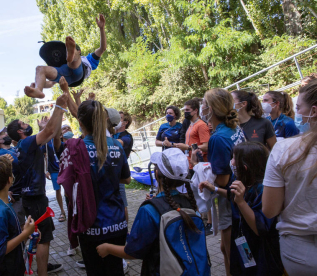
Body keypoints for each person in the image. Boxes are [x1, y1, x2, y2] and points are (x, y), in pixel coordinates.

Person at [96, 148, 204, 276]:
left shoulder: (149, 210)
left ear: (156, 173)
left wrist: (107, 248)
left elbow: (133, 251)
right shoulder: (190, 203)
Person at [6, 77, 69, 276]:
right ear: (19, 131)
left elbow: (50, 133)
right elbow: (51, 130)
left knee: (40, 235)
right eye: (24, 123)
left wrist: (47, 127)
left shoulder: (22, 146)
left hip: (31, 197)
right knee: (44, 237)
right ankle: (42, 273)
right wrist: (59, 106)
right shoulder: (25, 143)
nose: (28, 124)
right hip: (34, 198)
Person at [199, 142, 283, 276]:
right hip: (244, 245)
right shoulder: (246, 182)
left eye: (233, 159)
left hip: (261, 253)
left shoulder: (263, 190)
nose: (231, 163)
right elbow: (232, 196)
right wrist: (213, 188)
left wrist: (242, 202)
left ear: (245, 167)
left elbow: (260, 228)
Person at [262, 79, 317, 275]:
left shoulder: (284, 150)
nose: (298, 113)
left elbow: (269, 210)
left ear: (314, 111)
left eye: (299, 107)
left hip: (300, 251)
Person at [70, 100, 131, 276]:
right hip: (117, 222)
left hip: (90, 226)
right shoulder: (117, 145)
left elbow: (68, 184)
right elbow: (126, 179)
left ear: (80, 123)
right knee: (115, 270)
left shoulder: (77, 148)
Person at [193, 88, 245, 276]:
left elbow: (222, 180)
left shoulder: (217, 138)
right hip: (240, 191)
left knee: (232, 250)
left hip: (230, 199)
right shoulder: (234, 128)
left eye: (204, 104)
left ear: (212, 109)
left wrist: (198, 165)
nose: (202, 108)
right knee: (224, 247)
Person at [24, 14, 107, 98]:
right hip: (65, 74)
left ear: (79, 51)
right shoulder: (63, 66)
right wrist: (39, 83)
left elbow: (102, 48)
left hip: (79, 73)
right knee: (40, 69)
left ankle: (71, 56)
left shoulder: (89, 59)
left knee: (74, 62)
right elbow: (51, 83)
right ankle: (38, 90)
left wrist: (102, 28)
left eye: (73, 49)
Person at [0, 156, 36, 276]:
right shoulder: (0, 211)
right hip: (6, 270)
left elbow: (7, 236)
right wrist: (25, 233)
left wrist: (26, 234)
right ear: (10, 180)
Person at [176, 98, 212, 234]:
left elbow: (206, 145)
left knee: (204, 192)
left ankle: (210, 222)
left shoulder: (201, 125)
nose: (185, 113)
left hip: (200, 163)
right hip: (192, 163)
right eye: (184, 110)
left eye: (187, 110)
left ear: (196, 110)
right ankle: (199, 219)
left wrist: (188, 147)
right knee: (194, 192)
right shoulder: (190, 124)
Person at [0, 129, 25, 227]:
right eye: (2, 134)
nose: (6, 134)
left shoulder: (15, 149)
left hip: (25, 193)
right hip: (15, 197)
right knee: (19, 228)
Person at [113, 111, 134, 226]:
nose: (116, 121)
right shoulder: (111, 134)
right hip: (109, 172)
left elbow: (118, 143)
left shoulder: (127, 137)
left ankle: (125, 229)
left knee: (122, 203)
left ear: (125, 122)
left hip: (120, 174)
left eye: (120, 119)